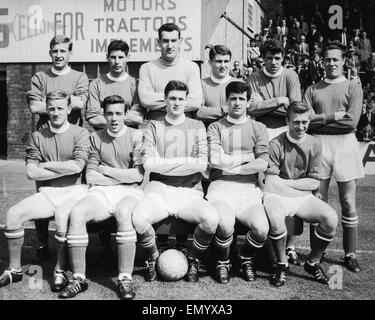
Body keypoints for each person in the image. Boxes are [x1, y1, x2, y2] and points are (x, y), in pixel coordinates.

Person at [0, 91, 89, 290]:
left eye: (60, 108)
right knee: (13, 215)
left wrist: (46, 165)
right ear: (46, 110)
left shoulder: (80, 133)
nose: (56, 113)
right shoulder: (38, 136)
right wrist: (59, 168)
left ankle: (59, 271)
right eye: (51, 108)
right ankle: (14, 270)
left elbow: (77, 167)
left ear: (68, 109)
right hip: (48, 193)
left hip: (75, 191)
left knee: (61, 217)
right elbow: (31, 172)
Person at [132, 80, 219, 283]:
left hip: (189, 191)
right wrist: (186, 161)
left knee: (211, 220)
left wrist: (165, 163)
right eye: (172, 98)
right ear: (165, 100)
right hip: (158, 189)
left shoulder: (196, 125)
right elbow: (149, 164)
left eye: (181, 99)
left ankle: (194, 260)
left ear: (187, 101)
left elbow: (201, 164)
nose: (177, 103)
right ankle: (153, 259)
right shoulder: (154, 125)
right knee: (138, 218)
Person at [59, 95, 144, 299]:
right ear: (104, 115)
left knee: (124, 213)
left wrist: (106, 170)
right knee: (78, 212)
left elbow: (138, 175)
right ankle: (79, 279)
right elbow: (90, 175)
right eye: (109, 114)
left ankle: (125, 278)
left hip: (130, 191)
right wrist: (119, 176)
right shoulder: (96, 137)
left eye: (118, 113)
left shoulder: (137, 136)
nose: (114, 118)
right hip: (102, 191)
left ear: (125, 114)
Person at [25, 35, 89, 263]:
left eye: (63, 51)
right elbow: (34, 106)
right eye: (55, 51)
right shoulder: (40, 77)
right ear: (50, 53)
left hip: (71, 140)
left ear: (70, 53)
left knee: (73, 189)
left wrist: (50, 103)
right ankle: (43, 242)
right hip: (45, 139)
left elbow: (80, 103)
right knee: (43, 191)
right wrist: (64, 103)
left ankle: (73, 240)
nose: (59, 55)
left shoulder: (79, 76)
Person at [304, 41, 364, 273]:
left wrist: (320, 118)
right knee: (318, 202)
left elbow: (352, 122)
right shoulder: (312, 89)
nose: (331, 63)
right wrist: (334, 116)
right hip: (318, 144)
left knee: (348, 202)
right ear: (322, 61)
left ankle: (350, 254)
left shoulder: (353, 87)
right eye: (327, 59)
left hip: (346, 144)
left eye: (335, 59)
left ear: (343, 61)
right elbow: (306, 121)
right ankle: (316, 252)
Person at [263, 101, 338, 287]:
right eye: (296, 122)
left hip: (299, 195)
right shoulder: (275, 144)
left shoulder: (315, 144)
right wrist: (298, 186)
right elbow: (270, 183)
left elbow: (314, 182)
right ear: (287, 121)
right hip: (276, 195)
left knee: (331, 218)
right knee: (275, 215)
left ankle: (312, 263)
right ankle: (282, 264)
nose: (301, 126)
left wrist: (287, 184)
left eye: (305, 122)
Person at [247, 39, 303, 266]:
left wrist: (265, 104)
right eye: (269, 58)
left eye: (277, 58)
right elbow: (251, 108)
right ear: (263, 57)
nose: (273, 62)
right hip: (261, 132)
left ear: (283, 58)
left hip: (286, 132)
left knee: (289, 185)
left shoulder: (291, 76)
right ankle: (267, 242)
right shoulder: (253, 78)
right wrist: (279, 100)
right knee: (263, 186)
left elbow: (295, 108)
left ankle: (290, 246)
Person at [206, 81, 269, 283]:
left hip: (248, 189)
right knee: (225, 225)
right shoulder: (216, 126)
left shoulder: (258, 127)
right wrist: (247, 156)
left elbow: (262, 163)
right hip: (221, 187)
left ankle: (245, 258)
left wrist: (233, 164)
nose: (237, 103)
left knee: (261, 229)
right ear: (226, 100)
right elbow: (214, 160)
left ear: (248, 102)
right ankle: (223, 262)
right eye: (233, 98)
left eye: (241, 98)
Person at [138, 23, 202, 121]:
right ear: (158, 42)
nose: (170, 46)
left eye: (174, 41)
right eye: (165, 41)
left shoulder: (192, 67)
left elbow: (195, 101)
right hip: (156, 124)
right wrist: (180, 99)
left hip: (184, 125)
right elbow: (146, 100)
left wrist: (161, 102)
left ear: (180, 42)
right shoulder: (147, 68)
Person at [85, 40, 146, 130]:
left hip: (128, 139)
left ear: (127, 57)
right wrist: (125, 115)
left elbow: (138, 118)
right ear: (107, 57)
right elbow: (94, 119)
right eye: (113, 57)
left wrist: (105, 113)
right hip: (102, 139)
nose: (117, 62)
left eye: (121, 57)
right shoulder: (96, 84)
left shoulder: (135, 85)